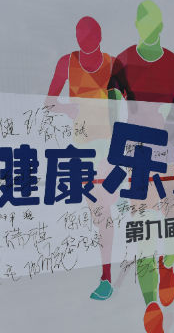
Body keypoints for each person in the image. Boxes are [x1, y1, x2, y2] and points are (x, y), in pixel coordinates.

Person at [108, 0, 174, 333]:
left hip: (172, 153)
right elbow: (112, 107)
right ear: (137, 25)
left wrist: (172, 118)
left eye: (154, 23)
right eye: (144, 23)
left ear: (161, 27)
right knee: (143, 231)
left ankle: (168, 264)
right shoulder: (123, 61)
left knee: (173, 223)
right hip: (139, 155)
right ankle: (151, 304)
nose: (149, 29)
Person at [47, 16, 118, 301]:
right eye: (82, 41)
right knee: (100, 214)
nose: (87, 45)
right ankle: (106, 275)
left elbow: (126, 106)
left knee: (104, 213)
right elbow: (49, 103)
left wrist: (115, 152)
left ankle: (107, 276)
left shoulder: (113, 64)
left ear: (100, 39)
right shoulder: (67, 62)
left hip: (108, 150)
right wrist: (67, 109)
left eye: (91, 40)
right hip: (83, 150)